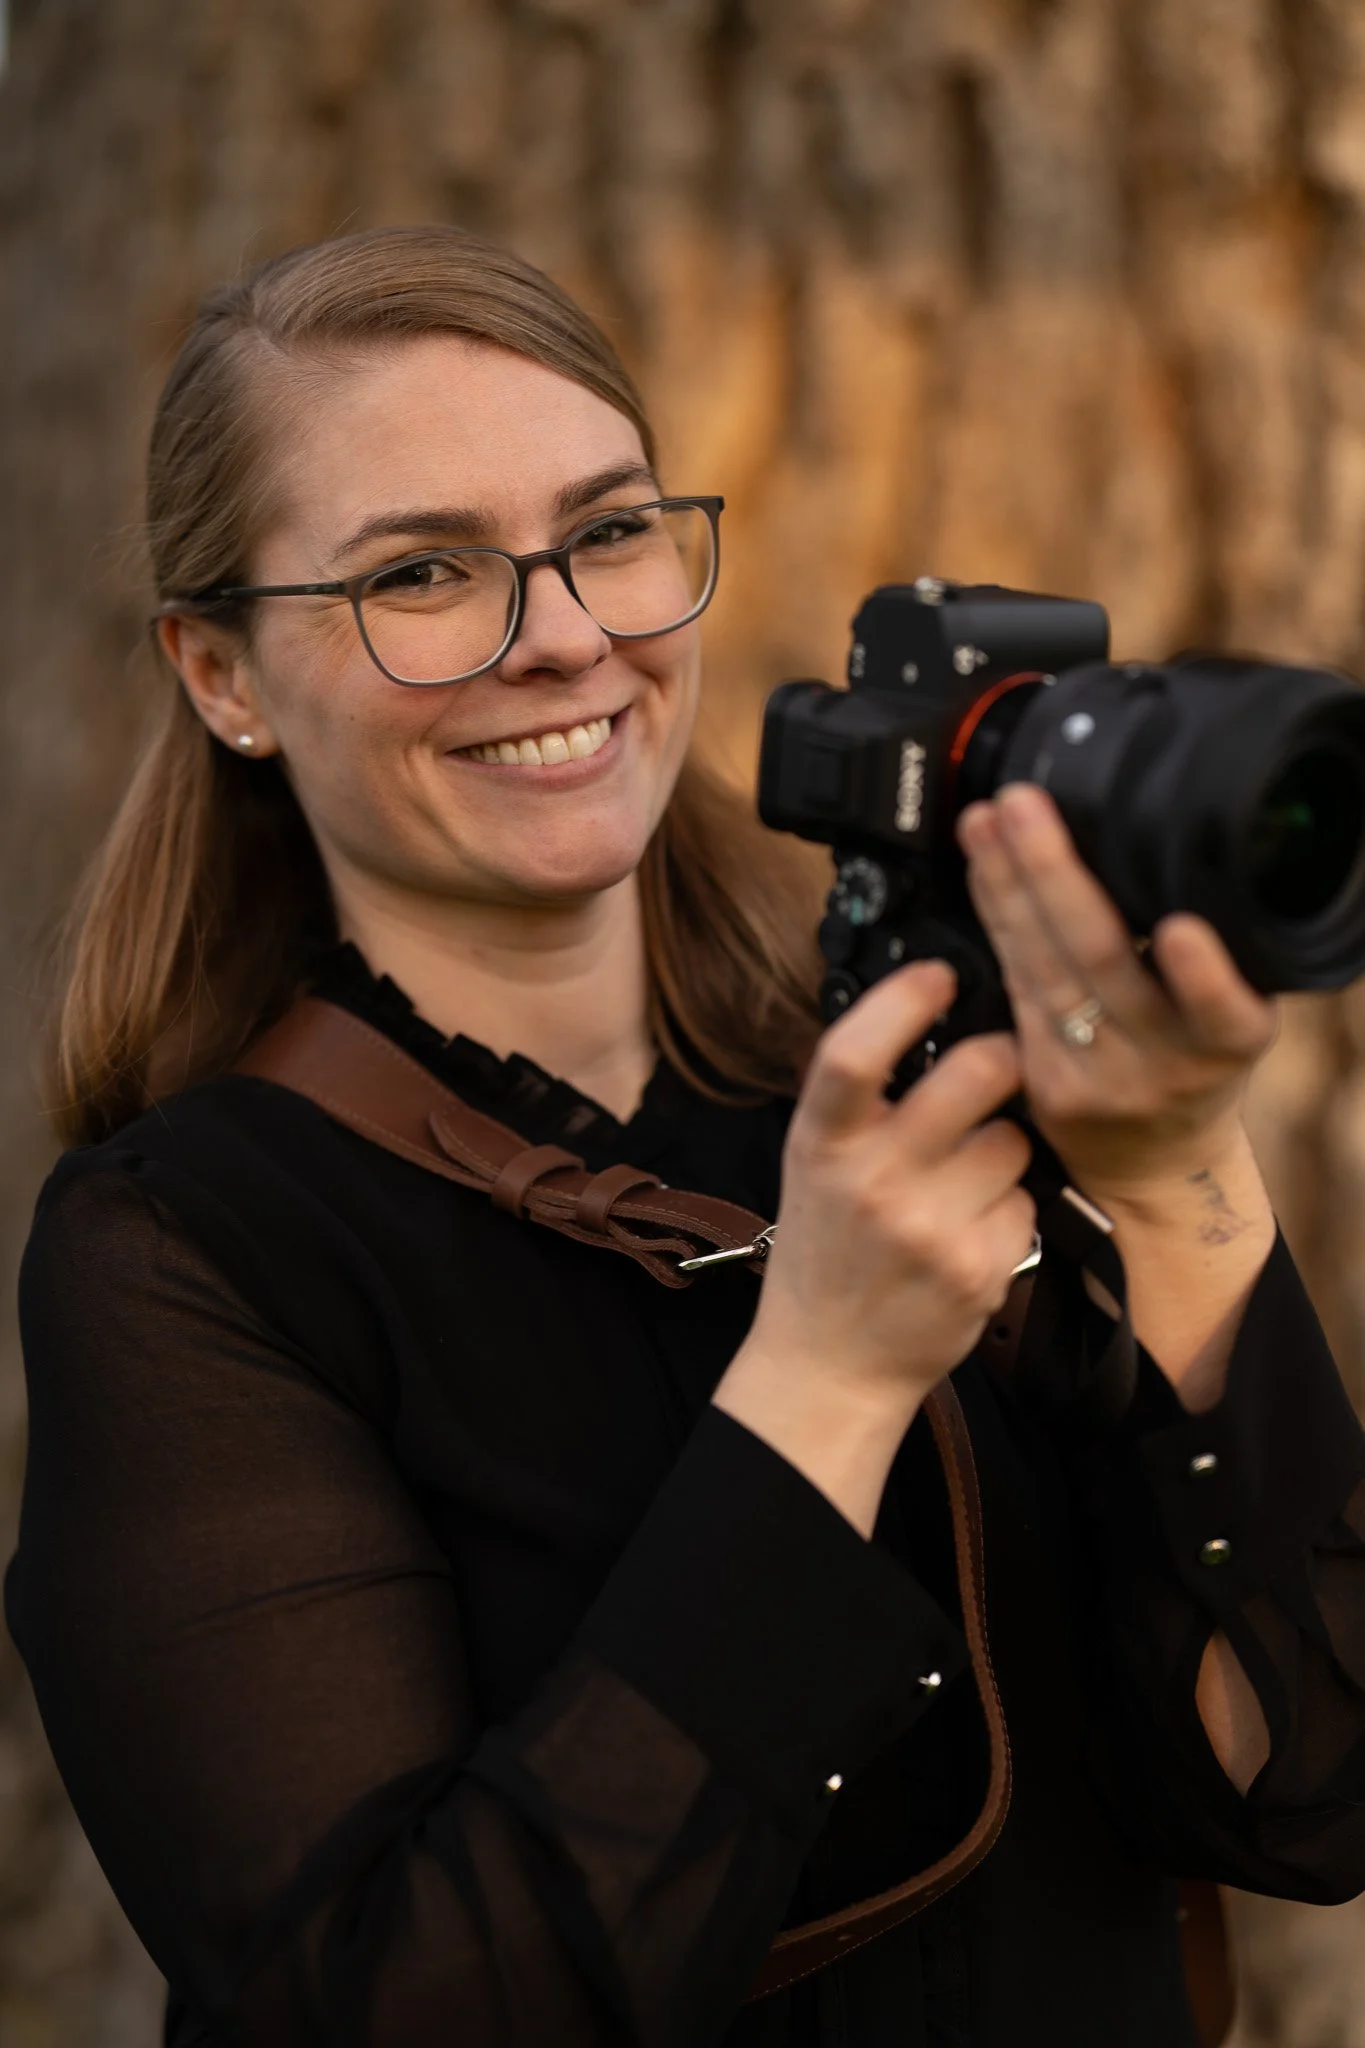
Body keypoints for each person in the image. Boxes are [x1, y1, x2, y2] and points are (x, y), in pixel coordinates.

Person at [6, 224, 1365, 2048]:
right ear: (223, 675)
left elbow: (1305, 1795)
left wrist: (1176, 1167)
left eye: (612, 531)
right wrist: (825, 1376)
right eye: (423, 571)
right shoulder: (186, 1249)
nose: (565, 637)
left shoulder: (910, 1062)